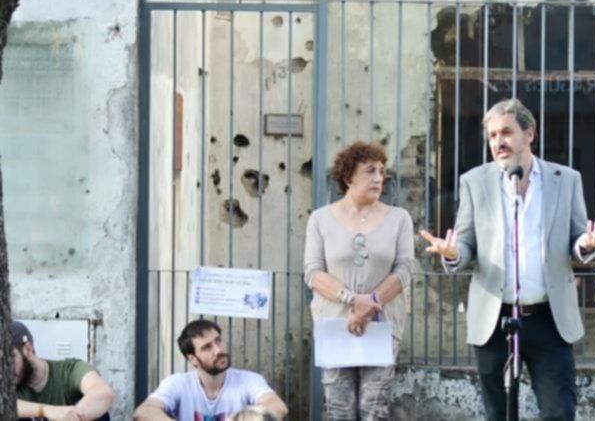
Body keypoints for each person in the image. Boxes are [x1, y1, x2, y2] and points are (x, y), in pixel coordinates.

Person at [420, 98, 595, 421]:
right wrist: (454, 253)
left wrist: (585, 244)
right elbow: (466, 242)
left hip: (549, 318)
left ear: (530, 134)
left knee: (559, 412)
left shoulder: (566, 179)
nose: (498, 142)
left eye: (506, 132)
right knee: (499, 414)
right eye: (492, 136)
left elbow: (577, 238)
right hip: (495, 318)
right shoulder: (474, 181)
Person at [304, 141, 415, 420]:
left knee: (374, 408)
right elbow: (313, 273)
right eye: (370, 171)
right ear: (348, 177)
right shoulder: (320, 219)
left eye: (381, 171)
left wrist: (371, 303)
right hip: (335, 323)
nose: (378, 178)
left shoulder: (399, 219)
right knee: (339, 408)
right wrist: (353, 300)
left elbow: (404, 269)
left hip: (382, 323)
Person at [132, 319, 287, 420]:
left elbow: (277, 407)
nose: (218, 350)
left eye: (218, 341)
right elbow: (144, 412)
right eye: (207, 347)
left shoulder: (249, 380)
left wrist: (242, 418)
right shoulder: (177, 383)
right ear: (192, 358)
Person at [11, 320, 115, 420]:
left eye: (10, 359)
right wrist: (45, 410)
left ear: (28, 350)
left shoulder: (68, 371)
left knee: (97, 415)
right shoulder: (9, 385)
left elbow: (103, 393)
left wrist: (73, 415)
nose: (6, 369)